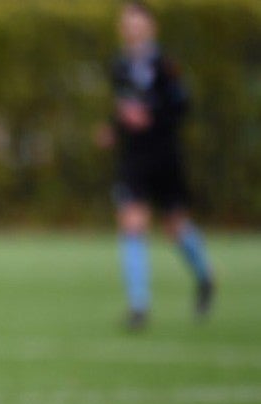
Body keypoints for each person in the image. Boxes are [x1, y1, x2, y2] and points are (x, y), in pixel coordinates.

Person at [99, 1, 214, 330]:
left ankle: (205, 276)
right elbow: (123, 110)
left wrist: (152, 118)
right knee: (131, 223)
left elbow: (181, 105)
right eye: (126, 22)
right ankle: (139, 305)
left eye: (137, 22)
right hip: (133, 158)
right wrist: (113, 128)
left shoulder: (166, 65)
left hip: (164, 155)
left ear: (151, 26)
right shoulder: (119, 65)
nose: (131, 28)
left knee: (174, 228)